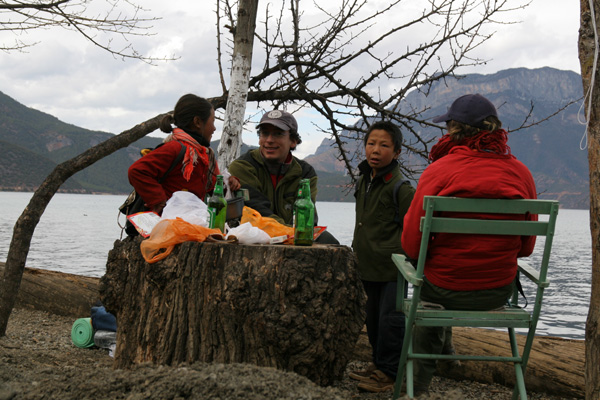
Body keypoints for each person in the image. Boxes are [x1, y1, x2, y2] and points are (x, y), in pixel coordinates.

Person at [401, 93, 537, 395]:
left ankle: (416, 388)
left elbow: (412, 247)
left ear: (454, 130)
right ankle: (448, 357)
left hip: (443, 289)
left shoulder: (439, 170)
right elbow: (526, 249)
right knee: (437, 275)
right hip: (497, 292)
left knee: (425, 277)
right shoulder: (521, 173)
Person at [349, 121, 415, 393]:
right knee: (372, 319)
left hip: (392, 268)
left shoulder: (401, 187)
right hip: (366, 265)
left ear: (397, 152)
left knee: (391, 321)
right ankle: (378, 363)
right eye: (371, 144)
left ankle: (390, 373)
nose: (375, 150)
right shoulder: (364, 179)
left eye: (384, 145)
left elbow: (414, 228)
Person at [228, 109, 339, 244]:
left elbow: (307, 215)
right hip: (251, 237)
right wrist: (289, 232)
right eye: (265, 133)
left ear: (293, 141)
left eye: (278, 134)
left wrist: (296, 233)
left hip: (290, 236)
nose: (269, 140)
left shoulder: (305, 173)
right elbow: (257, 209)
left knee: (329, 241)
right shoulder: (243, 166)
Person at [128, 93, 239, 216]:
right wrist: (159, 201)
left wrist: (229, 182)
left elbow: (212, 187)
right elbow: (137, 171)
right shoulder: (175, 148)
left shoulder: (203, 154)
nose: (213, 128)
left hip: (186, 221)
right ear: (197, 122)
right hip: (167, 224)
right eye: (212, 121)